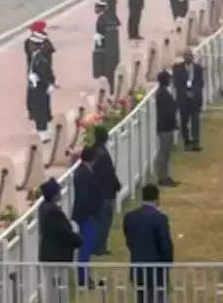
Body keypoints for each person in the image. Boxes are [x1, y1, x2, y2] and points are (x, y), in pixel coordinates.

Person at [123, 183, 173, 303]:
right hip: (156, 270)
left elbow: (130, 242)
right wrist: (168, 264)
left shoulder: (129, 217)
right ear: (157, 199)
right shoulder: (160, 218)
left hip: (138, 269)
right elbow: (165, 245)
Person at [71, 146, 101, 285]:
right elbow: (84, 197)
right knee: (86, 246)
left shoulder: (84, 172)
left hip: (86, 214)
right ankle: (83, 277)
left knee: (88, 245)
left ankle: (85, 275)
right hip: (84, 215)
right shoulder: (83, 174)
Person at [90, 126, 122, 256]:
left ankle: (99, 245)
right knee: (104, 221)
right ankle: (99, 247)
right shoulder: (102, 154)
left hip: (98, 193)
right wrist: (117, 185)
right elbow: (108, 173)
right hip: (105, 193)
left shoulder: (95, 150)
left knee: (100, 220)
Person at [25, 19, 56, 143]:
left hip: (42, 80)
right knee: (38, 104)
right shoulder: (32, 47)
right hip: (36, 81)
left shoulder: (43, 46)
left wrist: (51, 81)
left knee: (44, 104)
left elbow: (47, 66)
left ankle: (44, 128)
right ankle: (42, 129)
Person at [36, 177, 80, 261]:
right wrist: (77, 240)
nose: (60, 193)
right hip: (57, 255)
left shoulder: (43, 207)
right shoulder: (54, 212)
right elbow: (63, 231)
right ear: (54, 194)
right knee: (57, 274)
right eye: (58, 191)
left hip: (46, 253)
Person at [171, 50, 205, 152]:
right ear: (183, 57)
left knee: (195, 122)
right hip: (183, 100)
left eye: (189, 55)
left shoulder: (198, 68)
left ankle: (196, 142)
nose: (187, 57)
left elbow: (200, 83)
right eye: (186, 55)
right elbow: (177, 84)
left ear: (192, 57)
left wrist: (193, 92)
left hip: (195, 100)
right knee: (184, 122)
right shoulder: (177, 69)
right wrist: (186, 93)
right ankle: (186, 142)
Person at [154, 70, 177, 186]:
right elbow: (167, 112)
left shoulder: (162, 92)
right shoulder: (162, 94)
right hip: (165, 127)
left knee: (165, 153)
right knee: (164, 153)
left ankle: (165, 176)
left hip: (165, 126)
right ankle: (162, 178)